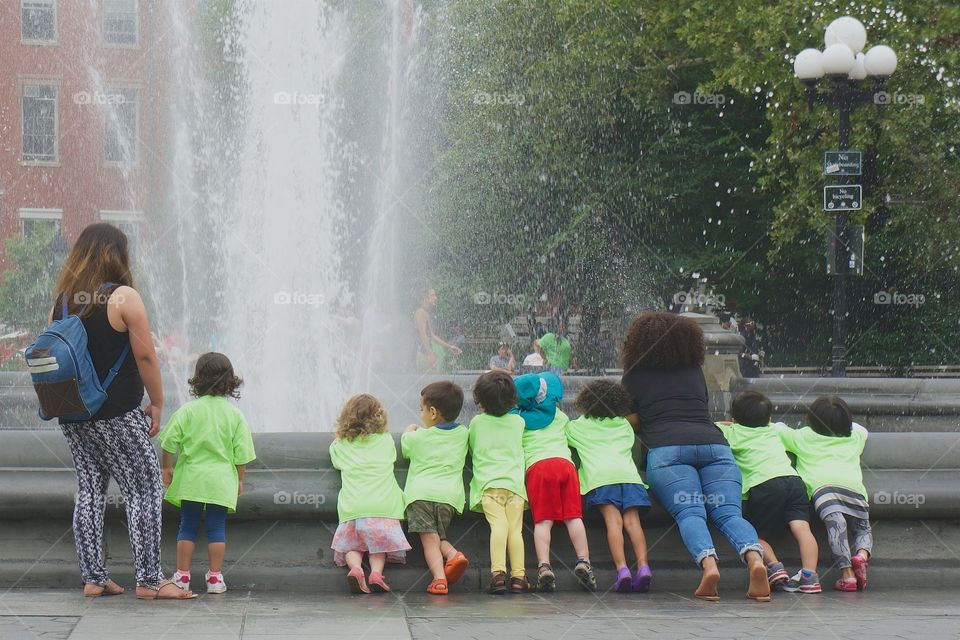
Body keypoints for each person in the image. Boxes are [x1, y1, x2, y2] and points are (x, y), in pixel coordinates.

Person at [49, 224, 192, 600]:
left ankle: (94, 578)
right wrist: (158, 402)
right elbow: (146, 354)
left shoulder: (63, 300)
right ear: (118, 254)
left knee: (90, 491)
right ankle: (149, 580)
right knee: (144, 488)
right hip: (116, 412)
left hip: (75, 415)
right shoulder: (123, 297)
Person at [620, 311, 770, 602]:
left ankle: (709, 567)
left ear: (638, 342)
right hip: (715, 447)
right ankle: (755, 560)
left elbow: (632, 419)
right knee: (728, 513)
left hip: (667, 451)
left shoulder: (634, 375)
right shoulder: (693, 372)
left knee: (691, 512)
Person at [159, 353, 256, 595]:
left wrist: (167, 467)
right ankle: (215, 578)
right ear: (230, 381)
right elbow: (242, 455)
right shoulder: (235, 415)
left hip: (192, 479)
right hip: (221, 481)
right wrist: (240, 480)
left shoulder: (188, 410)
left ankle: (182, 576)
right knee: (216, 528)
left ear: (197, 379)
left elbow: (168, 441)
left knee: (187, 525)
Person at [716, 390, 820, 594]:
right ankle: (810, 576)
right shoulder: (775, 429)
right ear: (769, 417)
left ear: (734, 419)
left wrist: (729, 424)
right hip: (794, 481)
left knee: (755, 532)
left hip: (764, 485)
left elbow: (711, 427)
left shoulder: (731, 432)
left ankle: (774, 567)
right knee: (802, 529)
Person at [775, 396, 872, 592]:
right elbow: (862, 429)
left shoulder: (803, 436)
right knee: (863, 529)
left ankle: (847, 575)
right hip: (855, 490)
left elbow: (777, 430)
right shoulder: (854, 438)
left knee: (837, 528)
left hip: (823, 490)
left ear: (810, 420)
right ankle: (861, 555)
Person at [566, 379, 653, 593]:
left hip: (601, 479)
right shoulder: (623, 424)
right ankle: (643, 567)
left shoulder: (577, 426)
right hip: (630, 478)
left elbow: (565, 434)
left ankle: (622, 569)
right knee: (633, 523)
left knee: (613, 523)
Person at [513, 372, 596, 593]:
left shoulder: (519, 421)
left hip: (539, 468)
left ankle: (544, 567)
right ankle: (583, 561)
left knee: (543, 521)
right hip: (566, 466)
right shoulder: (559, 416)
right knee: (573, 517)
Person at [329, 394, 411, 594]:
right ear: (379, 416)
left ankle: (356, 569)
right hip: (383, 507)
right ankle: (375, 573)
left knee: (352, 546)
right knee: (378, 546)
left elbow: (335, 457)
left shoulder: (342, 445)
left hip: (353, 507)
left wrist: (339, 439)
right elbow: (392, 456)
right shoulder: (385, 440)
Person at [401, 382, 471, 595]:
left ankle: (440, 579)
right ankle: (452, 555)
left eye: (421, 409)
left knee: (429, 539)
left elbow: (406, 448)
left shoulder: (419, 436)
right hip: (448, 497)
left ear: (432, 412)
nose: (420, 414)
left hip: (420, 495)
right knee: (435, 535)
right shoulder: (463, 434)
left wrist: (408, 430)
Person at [467, 371, 528, 594]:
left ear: (480, 401)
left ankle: (498, 575)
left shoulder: (476, 423)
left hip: (490, 485)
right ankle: (519, 577)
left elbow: (473, 448)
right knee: (515, 531)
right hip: (514, 486)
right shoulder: (519, 422)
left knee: (498, 526)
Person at [414, 288, 462, 372]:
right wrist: (430, 353)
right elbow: (423, 334)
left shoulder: (426, 312)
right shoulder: (420, 312)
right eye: (432, 295)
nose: (435, 297)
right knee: (427, 383)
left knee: (432, 381)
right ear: (425, 297)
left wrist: (450, 347)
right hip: (424, 355)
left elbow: (432, 336)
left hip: (426, 354)